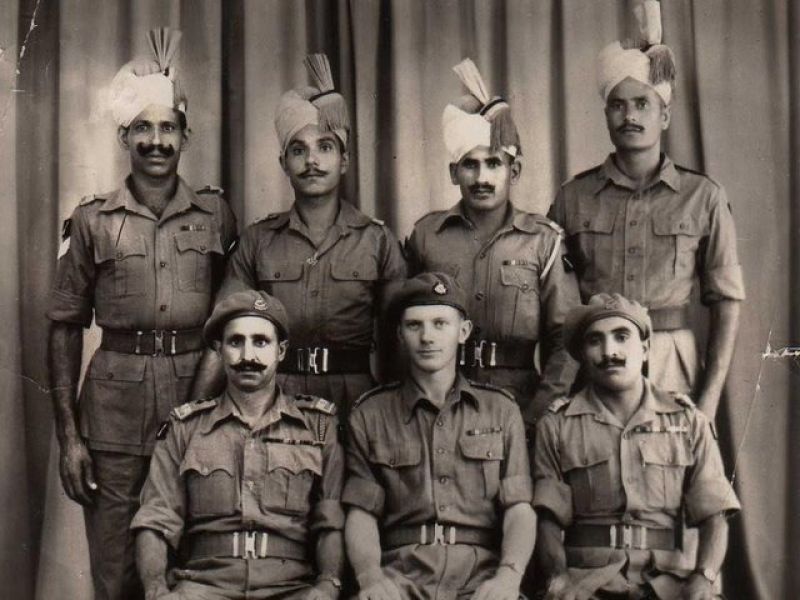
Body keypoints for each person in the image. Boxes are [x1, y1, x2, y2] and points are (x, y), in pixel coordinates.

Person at [46, 28, 237, 600]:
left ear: (186, 134)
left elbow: (229, 321)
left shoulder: (216, 216)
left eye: (168, 128)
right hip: (112, 419)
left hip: (196, 408)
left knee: (194, 568)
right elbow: (63, 327)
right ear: (123, 135)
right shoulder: (92, 221)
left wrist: (201, 411)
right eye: (142, 129)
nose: (156, 141)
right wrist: (70, 438)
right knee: (117, 573)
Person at [547, 0, 744, 420]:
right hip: (595, 364)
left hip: (672, 364)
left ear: (665, 114)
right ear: (606, 115)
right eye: (619, 105)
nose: (630, 115)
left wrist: (708, 403)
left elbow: (727, 302)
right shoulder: (572, 198)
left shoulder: (703, 196)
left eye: (642, 103)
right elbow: (555, 306)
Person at [191, 53, 407, 418]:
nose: (312, 161)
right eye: (298, 150)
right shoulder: (257, 241)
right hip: (274, 402)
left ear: (345, 160)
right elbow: (222, 333)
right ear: (283, 163)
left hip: (355, 405)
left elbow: (401, 343)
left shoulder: (378, 242)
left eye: (325, 147)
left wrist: (395, 422)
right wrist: (192, 411)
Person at [132, 289, 344, 600]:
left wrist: (327, 585)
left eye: (261, 342)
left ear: (281, 350)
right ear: (219, 349)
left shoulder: (319, 425)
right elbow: (155, 521)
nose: (248, 356)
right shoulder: (185, 428)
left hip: (290, 587)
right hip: (204, 586)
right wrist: (156, 590)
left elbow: (331, 521)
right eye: (236, 342)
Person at [405, 58, 580, 426]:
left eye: (494, 164)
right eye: (470, 164)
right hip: (438, 407)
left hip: (519, 406)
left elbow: (565, 342)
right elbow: (401, 332)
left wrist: (537, 418)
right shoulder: (426, 236)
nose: (482, 177)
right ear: (454, 172)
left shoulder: (541, 242)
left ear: (513, 171)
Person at [533, 293, 740, 600]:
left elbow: (715, 516)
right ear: (582, 356)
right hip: (587, 585)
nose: (609, 351)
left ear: (644, 350)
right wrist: (558, 578)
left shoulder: (688, 421)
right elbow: (547, 520)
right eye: (595, 341)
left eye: (621, 337)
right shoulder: (557, 425)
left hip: (669, 584)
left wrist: (704, 577)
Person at [344, 272, 536, 600]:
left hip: (480, 575)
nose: (427, 337)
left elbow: (519, 509)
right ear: (400, 335)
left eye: (439, 324)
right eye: (414, 325)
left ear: (463, 332)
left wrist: (508, 578)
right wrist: (371, 579)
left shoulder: (501, 410)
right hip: (401, 573)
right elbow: (361, 512)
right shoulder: (370, 414)